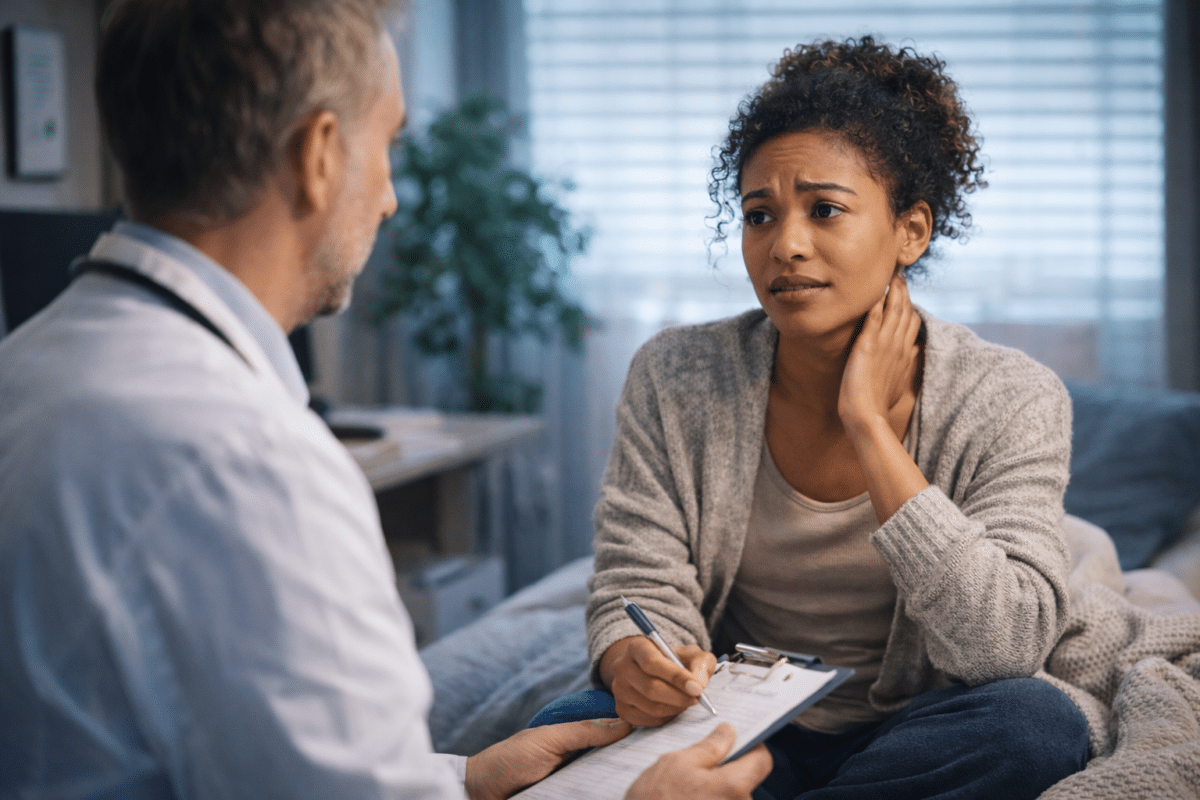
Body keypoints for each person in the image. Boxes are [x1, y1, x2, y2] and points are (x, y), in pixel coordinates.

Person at [0, 0, 771, 797]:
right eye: (387, 144)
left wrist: (462, 777)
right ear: (319, 156)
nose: (391, 196)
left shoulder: (26, 365)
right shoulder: (254, 464)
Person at [537, 36, 1091, 799]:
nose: (786, 245)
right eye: (759, 216)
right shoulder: (675, 373)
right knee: (561, 731)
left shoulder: (1012, 395)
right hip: (730, 722)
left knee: (1034, 727)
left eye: (825, 210)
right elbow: (638, 577)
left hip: (916, 724)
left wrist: (868, 425)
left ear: (911, 231)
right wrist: (636, 657)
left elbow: (1006, 645)